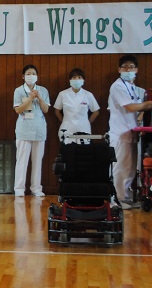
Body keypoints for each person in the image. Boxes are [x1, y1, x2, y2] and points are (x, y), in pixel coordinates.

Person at [108, 55, 152, 207]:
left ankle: (126, 197)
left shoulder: (131, 87)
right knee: (120, 168)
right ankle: (118, 200)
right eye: (125, 67)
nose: (128, 70)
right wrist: (149, 104)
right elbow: (131, 107)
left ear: (136, 70)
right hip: (120, 132)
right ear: (119, 69)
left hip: (130, 132)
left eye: (131, 67)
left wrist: (146, 106)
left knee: (130, 168)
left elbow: (138, 109)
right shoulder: (117, 86)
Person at [13, 64, 50, 197]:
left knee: (37, 161)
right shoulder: (19, 91)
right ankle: (19, 189)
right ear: (23, 76)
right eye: (28, 74)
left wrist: (39, 97)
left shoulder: (43, 90)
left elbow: (46, 109)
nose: (31, 76)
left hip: (39, 128)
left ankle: (36, 188)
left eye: (33, 73)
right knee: (22, 161)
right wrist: (30, 98)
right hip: (24, 129)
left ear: (37, 76)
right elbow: (18, 110)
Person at [53, 68, 100, 143]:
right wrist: (65, 121)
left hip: (84, 129)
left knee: (83, 150)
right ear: (70, 80)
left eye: (79, 77)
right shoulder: (62, 94)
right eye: (74, 77)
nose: (76, 80)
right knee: (67, 149)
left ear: (83, 80)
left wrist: (86, 122)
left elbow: (96, 112)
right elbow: (57, 111)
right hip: (67, 129)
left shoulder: (88, 95)